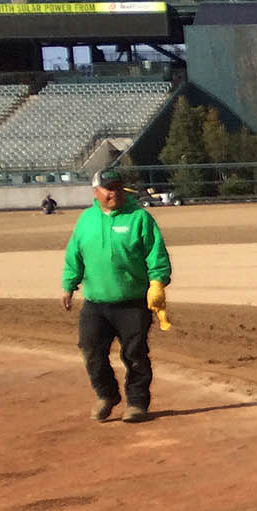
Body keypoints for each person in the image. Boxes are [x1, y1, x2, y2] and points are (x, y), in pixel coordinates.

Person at [61, 169, 171, 423]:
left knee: (134, 355)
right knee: (90, 351)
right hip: (96, 303)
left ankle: (136, 403)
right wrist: (69, 284)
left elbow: (156, 254)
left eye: (118, 188)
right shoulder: (86, 220)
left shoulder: (139, 218)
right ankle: (106, 395)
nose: (114, 193)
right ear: (96, 192)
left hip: (132, 303)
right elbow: (74, 256)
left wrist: (157, 283)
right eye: (108, 189)